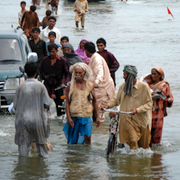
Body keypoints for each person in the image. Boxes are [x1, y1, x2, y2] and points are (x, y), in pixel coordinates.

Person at [102, 65, 153, 149]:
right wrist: (108, 105)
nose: (123, 77)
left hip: (141, 120)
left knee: (144, 147)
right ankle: (132, 161)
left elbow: (149, 104)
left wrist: (137, 110)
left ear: (130, 76)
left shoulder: (144, 87)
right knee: (132, 141)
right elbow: (116, 100)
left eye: (125, 74)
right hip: (128, 120)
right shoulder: (123, 86)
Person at [13, 61, 52, 157]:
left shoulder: (20, 87)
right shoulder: (41, 86)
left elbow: (15, 107)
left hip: (22, 121)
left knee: (23, 152)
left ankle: (23, 171)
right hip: (38, 120)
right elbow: (47, 103)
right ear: (37, 71)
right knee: (42, 150)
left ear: (25, 72)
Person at [63, 62, 100, 144]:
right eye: (76, 72)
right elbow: (67, 103)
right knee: (74, 139)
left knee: (88, 137)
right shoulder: (70, 86)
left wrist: (97, 116)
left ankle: (87, 155)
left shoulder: (90, 85)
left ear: (84, 73)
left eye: (80, 73)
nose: (78, 74)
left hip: (87, 115)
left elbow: (95, 101)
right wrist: (68, 118)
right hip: (74, 115)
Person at [84, 42, 115, 122]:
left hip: (102, 88)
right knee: (94, 108)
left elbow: (100, 72)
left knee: (100, 109)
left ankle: (100, 130)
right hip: (97, 88)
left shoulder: (97, 59)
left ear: (86, 51)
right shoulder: (94, 57)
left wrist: (96, 82)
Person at [40, 43, 70, 117]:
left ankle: (60, 118)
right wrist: (45, 77)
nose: (51, 53)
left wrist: (64, 83)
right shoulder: (45, 60)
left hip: (59, 85)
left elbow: (68, 73)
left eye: (53, 51)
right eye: (50, 52)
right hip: (47, 85)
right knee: (45, 104)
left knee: (60, 105)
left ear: (57, 51)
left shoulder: (62, 61)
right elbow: (41, 72)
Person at [147, 67, 174, 146]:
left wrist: (169, 100)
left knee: (156, 138)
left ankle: (156, 157)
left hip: (158, 114)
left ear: (160, 75)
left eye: (155, 74)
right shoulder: (147, 84)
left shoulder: (164, 85)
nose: (152, 75)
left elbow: (168, 99)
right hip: (147, 112)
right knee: (146, 137)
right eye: (152, 73)